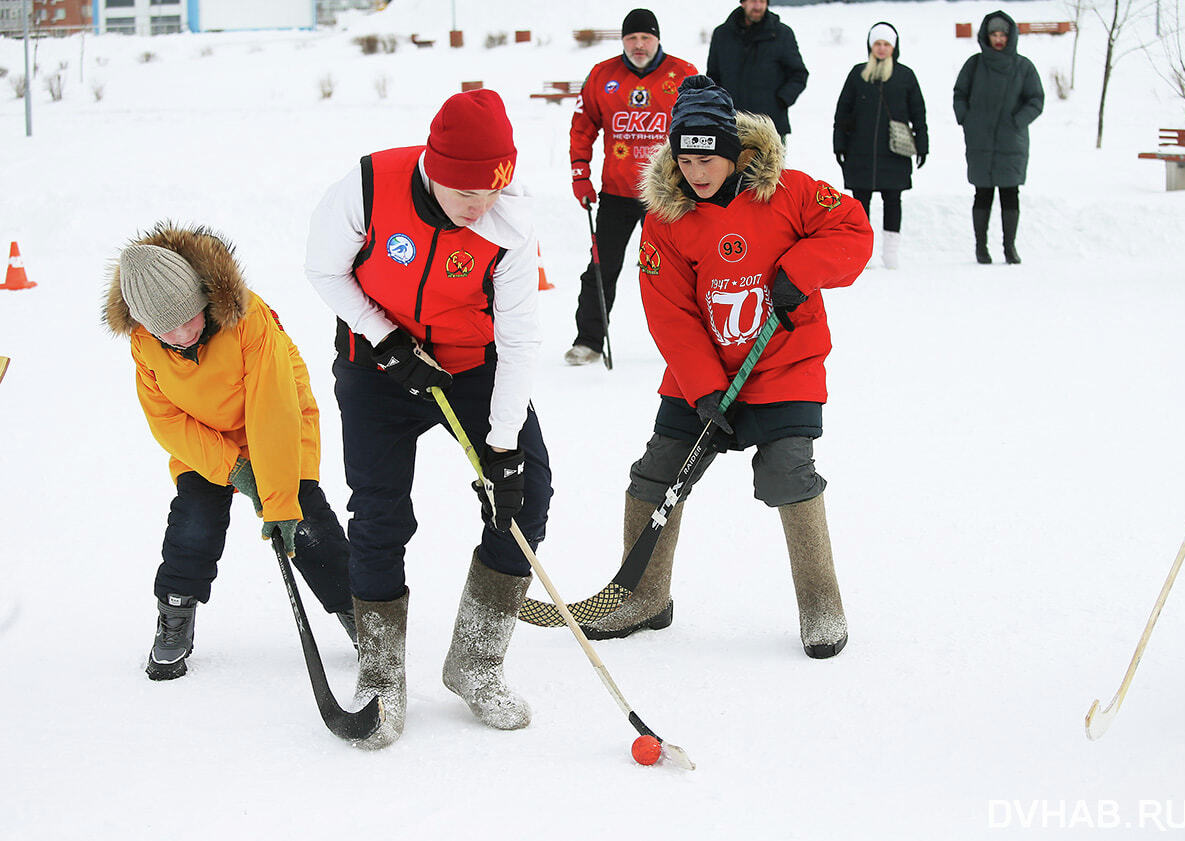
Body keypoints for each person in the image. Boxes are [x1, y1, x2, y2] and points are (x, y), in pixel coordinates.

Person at [580, 76, 872, 659]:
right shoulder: (665, 217)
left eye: (708, 156)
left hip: (784, 361)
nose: (696, 171)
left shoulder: (789, 192)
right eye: (684, 158)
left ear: (736, 151)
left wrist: (801, 268)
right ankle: (643, 598)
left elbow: (853, 229)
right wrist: (706, 389)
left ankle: (822, 607)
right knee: (658, 472)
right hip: (704, 369)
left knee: (788, 473)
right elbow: (669, 313)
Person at [304, 88, 552, 749]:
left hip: (471, 369)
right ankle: (380, 673)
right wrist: (383, 338)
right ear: (432, 168)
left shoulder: (508, 223)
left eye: (491, 190)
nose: (481, 207)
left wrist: (502, 447)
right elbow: (324, 270)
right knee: (380, 511)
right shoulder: (366, 186)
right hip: (375, 367)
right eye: (466, 193)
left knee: (524, 498)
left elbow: (520, 337)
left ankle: (475, 661)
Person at [103, 223, 356, 682]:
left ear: (203, 297)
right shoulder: (145, 345)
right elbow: (167, 420)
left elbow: (273, 408)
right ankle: (175, 614)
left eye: (190, 317)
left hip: (276, 416)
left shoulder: (248, 321)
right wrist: (233, 469)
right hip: (205, 440)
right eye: (168, 329)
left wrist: (278, 500)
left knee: (304, 520)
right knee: (194, 521)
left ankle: (360, 614)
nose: (182, 333)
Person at [565, 8, 698, 366]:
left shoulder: (683, 73)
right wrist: (580, 173)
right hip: (617, 192)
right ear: (623, 40)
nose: (639, 45)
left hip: (667, 192)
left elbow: (702, 127)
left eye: (645, 37)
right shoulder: (602, 75)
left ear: (657, 38)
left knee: (676, 272)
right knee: (600, 268)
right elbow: (583, 126)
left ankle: (692, 341)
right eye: (632, 38)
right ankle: (589, 341)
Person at [832, 22, 928, 270]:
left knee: (893, 200)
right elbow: (842, 111)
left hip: (894, 151)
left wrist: (923, 144)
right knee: (860, 204)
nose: (882, 49)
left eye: (886, 44)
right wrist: (839, 143)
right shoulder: (857, 74)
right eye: (878, 44)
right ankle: (864, 253)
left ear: (894, 47)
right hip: (859, 150)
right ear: (871, 46)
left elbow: (919, 113)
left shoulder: (905, 75)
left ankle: (890, 253)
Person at [953, 10, 1044, 265]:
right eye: (994, 34)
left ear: (1010, 36)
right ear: (986, 36)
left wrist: (1017, 121)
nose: (999, 39)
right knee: (982, 193)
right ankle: (980, 247)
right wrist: (967, 119)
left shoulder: (1023, 67)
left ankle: (1009, 247)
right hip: (979, 138)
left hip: (1010, 141)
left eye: (1003, 34)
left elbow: (1036, 100)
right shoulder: (974, 64)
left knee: (1009, 193)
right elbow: (959, 94)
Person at [706, 0, 809, 143]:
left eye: (762, 1)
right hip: (730, 125)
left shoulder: (782, 34)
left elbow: (798, 74)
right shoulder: (722, 34)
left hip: (770, 127)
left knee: (770, 166)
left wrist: (781, 100)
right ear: (743, 3)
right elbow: (713, 76)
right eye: (753, 1)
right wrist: (720, 107)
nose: (758, 6)